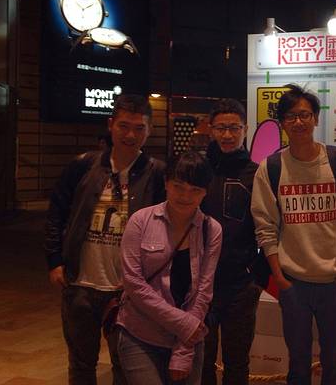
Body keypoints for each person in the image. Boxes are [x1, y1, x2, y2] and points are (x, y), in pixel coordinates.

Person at [44, 94, 166, 385]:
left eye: (139, 128)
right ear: (111, 125)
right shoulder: (83, 166)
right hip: (80, 284)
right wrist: (55, 260)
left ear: (149, 130)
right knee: (81, 365)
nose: (130, 135)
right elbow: (56, 214)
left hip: (127, 290)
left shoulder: (157, 173)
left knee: (125, 366)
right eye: (124, 126)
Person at [251, 84, 336, 385]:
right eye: (291, 116)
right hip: (294, 283)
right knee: (298, 362)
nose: (298, 122)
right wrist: (280, 277)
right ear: (282, 122)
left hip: (334, 281)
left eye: (304, 115)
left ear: (315, 118)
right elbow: (265, 226)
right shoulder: (271, 167)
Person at [116, 151, 222, 385]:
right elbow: (133, 284)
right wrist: (185, 325)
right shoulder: (140, 221)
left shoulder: (211, 230)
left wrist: (184, 349)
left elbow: (204, 291)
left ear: (205, 192)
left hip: (189, 339)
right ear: (166, 183)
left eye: (195, 190)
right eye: (178, 187)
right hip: (140, 333)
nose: (185, 196)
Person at [200, 99, 262, 385]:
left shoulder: (257, 173)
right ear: (210, 130)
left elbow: (270, 227)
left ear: (245, 130)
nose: (227, 135)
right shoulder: (198, 171)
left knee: (237, 362)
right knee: (201, 359)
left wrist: (257, 277)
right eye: (221, 128)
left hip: (241, 285)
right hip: (199, 283)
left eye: (234, 128)